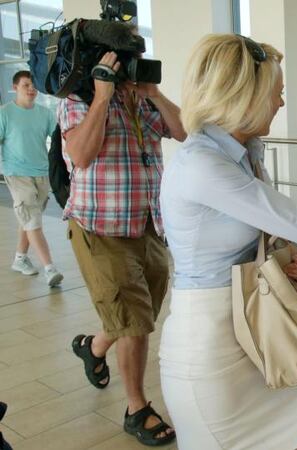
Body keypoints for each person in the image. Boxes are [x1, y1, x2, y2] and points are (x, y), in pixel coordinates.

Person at [158, 34, 297, 450]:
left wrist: (279, 259)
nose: (281, 103)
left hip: (259, 333)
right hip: (211, 349)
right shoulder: (202, 164)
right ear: (243, 97)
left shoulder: (243, 152)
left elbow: (249, 230)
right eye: (275, 93)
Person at [59, 50, 186, 446]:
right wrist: (101, 96)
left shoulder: (142, 99)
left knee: (138, 312)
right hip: (100, 227)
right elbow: (80, 154)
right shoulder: (78, 98)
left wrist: (154, 93)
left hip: (148, 224)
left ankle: (93, 348)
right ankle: (136, 409)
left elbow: (183, 132)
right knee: (136, 322)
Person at [0, 70, 63, 286]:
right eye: (26, 85)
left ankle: (20, 259)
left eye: (33, 85)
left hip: (41, 173)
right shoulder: (5, 113)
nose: (31, 89)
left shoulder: (45, 114)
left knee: (28, 219)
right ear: (15, 87)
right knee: (33, 221)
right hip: (16, 173)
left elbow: (57, 143)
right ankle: (50, 268)